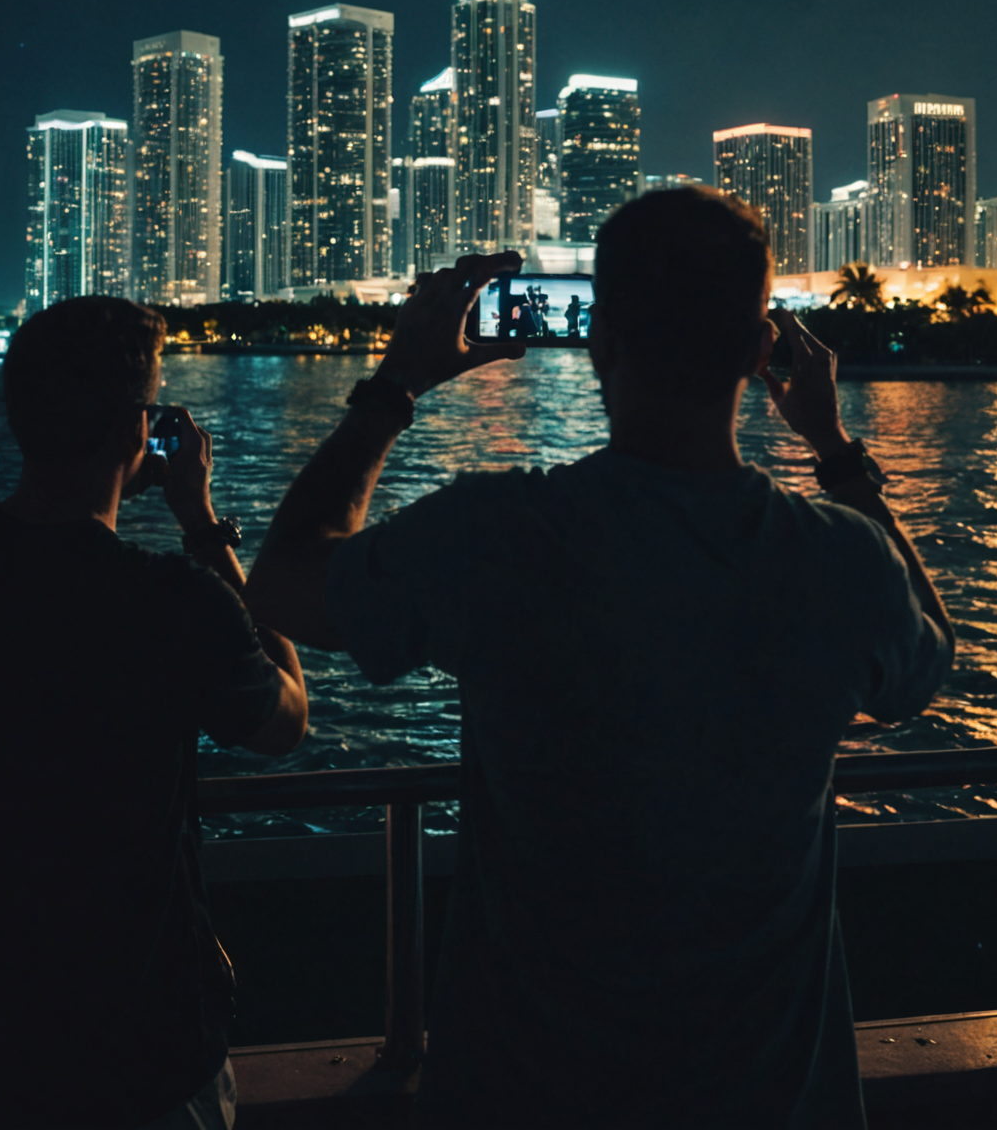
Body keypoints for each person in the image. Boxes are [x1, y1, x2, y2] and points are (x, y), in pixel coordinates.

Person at [247, 186, 953, 1128]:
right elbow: (927, 657)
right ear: (759, 355)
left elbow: (283, 584)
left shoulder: (499, 534)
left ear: (599, 342)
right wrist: (831, 445)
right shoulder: (840, 561)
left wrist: (395, 385)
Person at [0, 297, 308, 1129]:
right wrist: (204, 525)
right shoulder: (172, 598)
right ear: (138, 429)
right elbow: (286, 720)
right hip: (135, 1046)